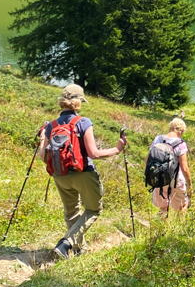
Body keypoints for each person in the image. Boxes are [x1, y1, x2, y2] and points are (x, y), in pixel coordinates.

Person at [37, 83, 127, 259]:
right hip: (83, 172)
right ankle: (66, 244)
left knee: (72, 212)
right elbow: (94, 153)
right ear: (78, 102)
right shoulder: (83, 122)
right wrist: (117, 149)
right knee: (93, 210)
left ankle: (79, 250)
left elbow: (43, 156)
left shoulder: (51, 125)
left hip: (60, 174)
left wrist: (42, 138)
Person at [147, 117, 192, 214]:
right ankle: (179, 223)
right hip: (175, 180)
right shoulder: (181, 144)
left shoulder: (158, 139)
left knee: (163, 207)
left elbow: (147, 159)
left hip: (159, 177)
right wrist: (189, 184)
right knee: (182, 206)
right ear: (181, 130)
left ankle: (161, 223)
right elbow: (184, 168)